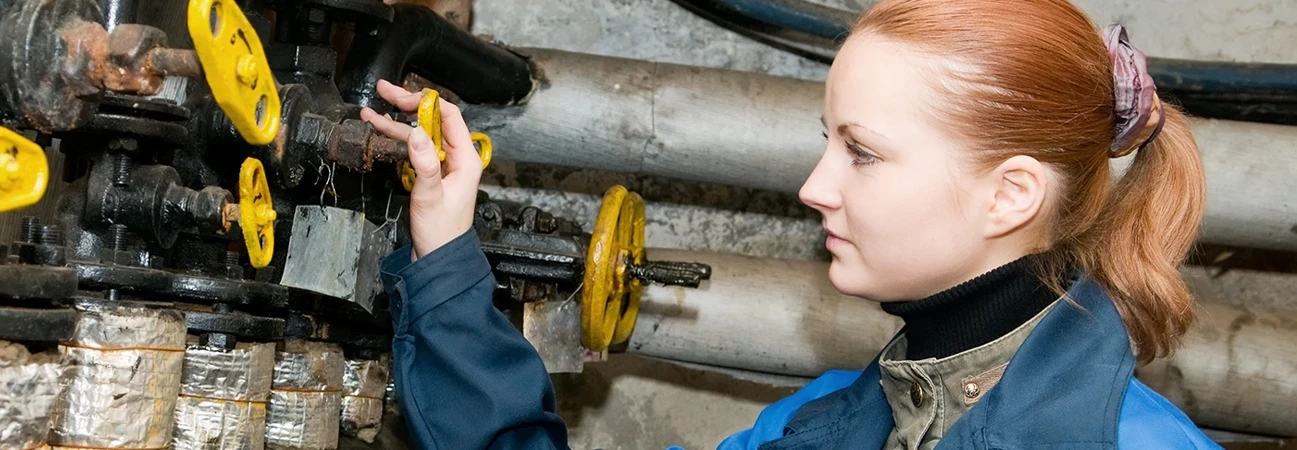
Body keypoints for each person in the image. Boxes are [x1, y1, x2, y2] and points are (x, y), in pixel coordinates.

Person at [359, 0, 1222, 448]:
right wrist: (445, 245)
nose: (814, 187)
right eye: (825, 144)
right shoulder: (826, 424)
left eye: (863, 152)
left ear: (1010, 195)